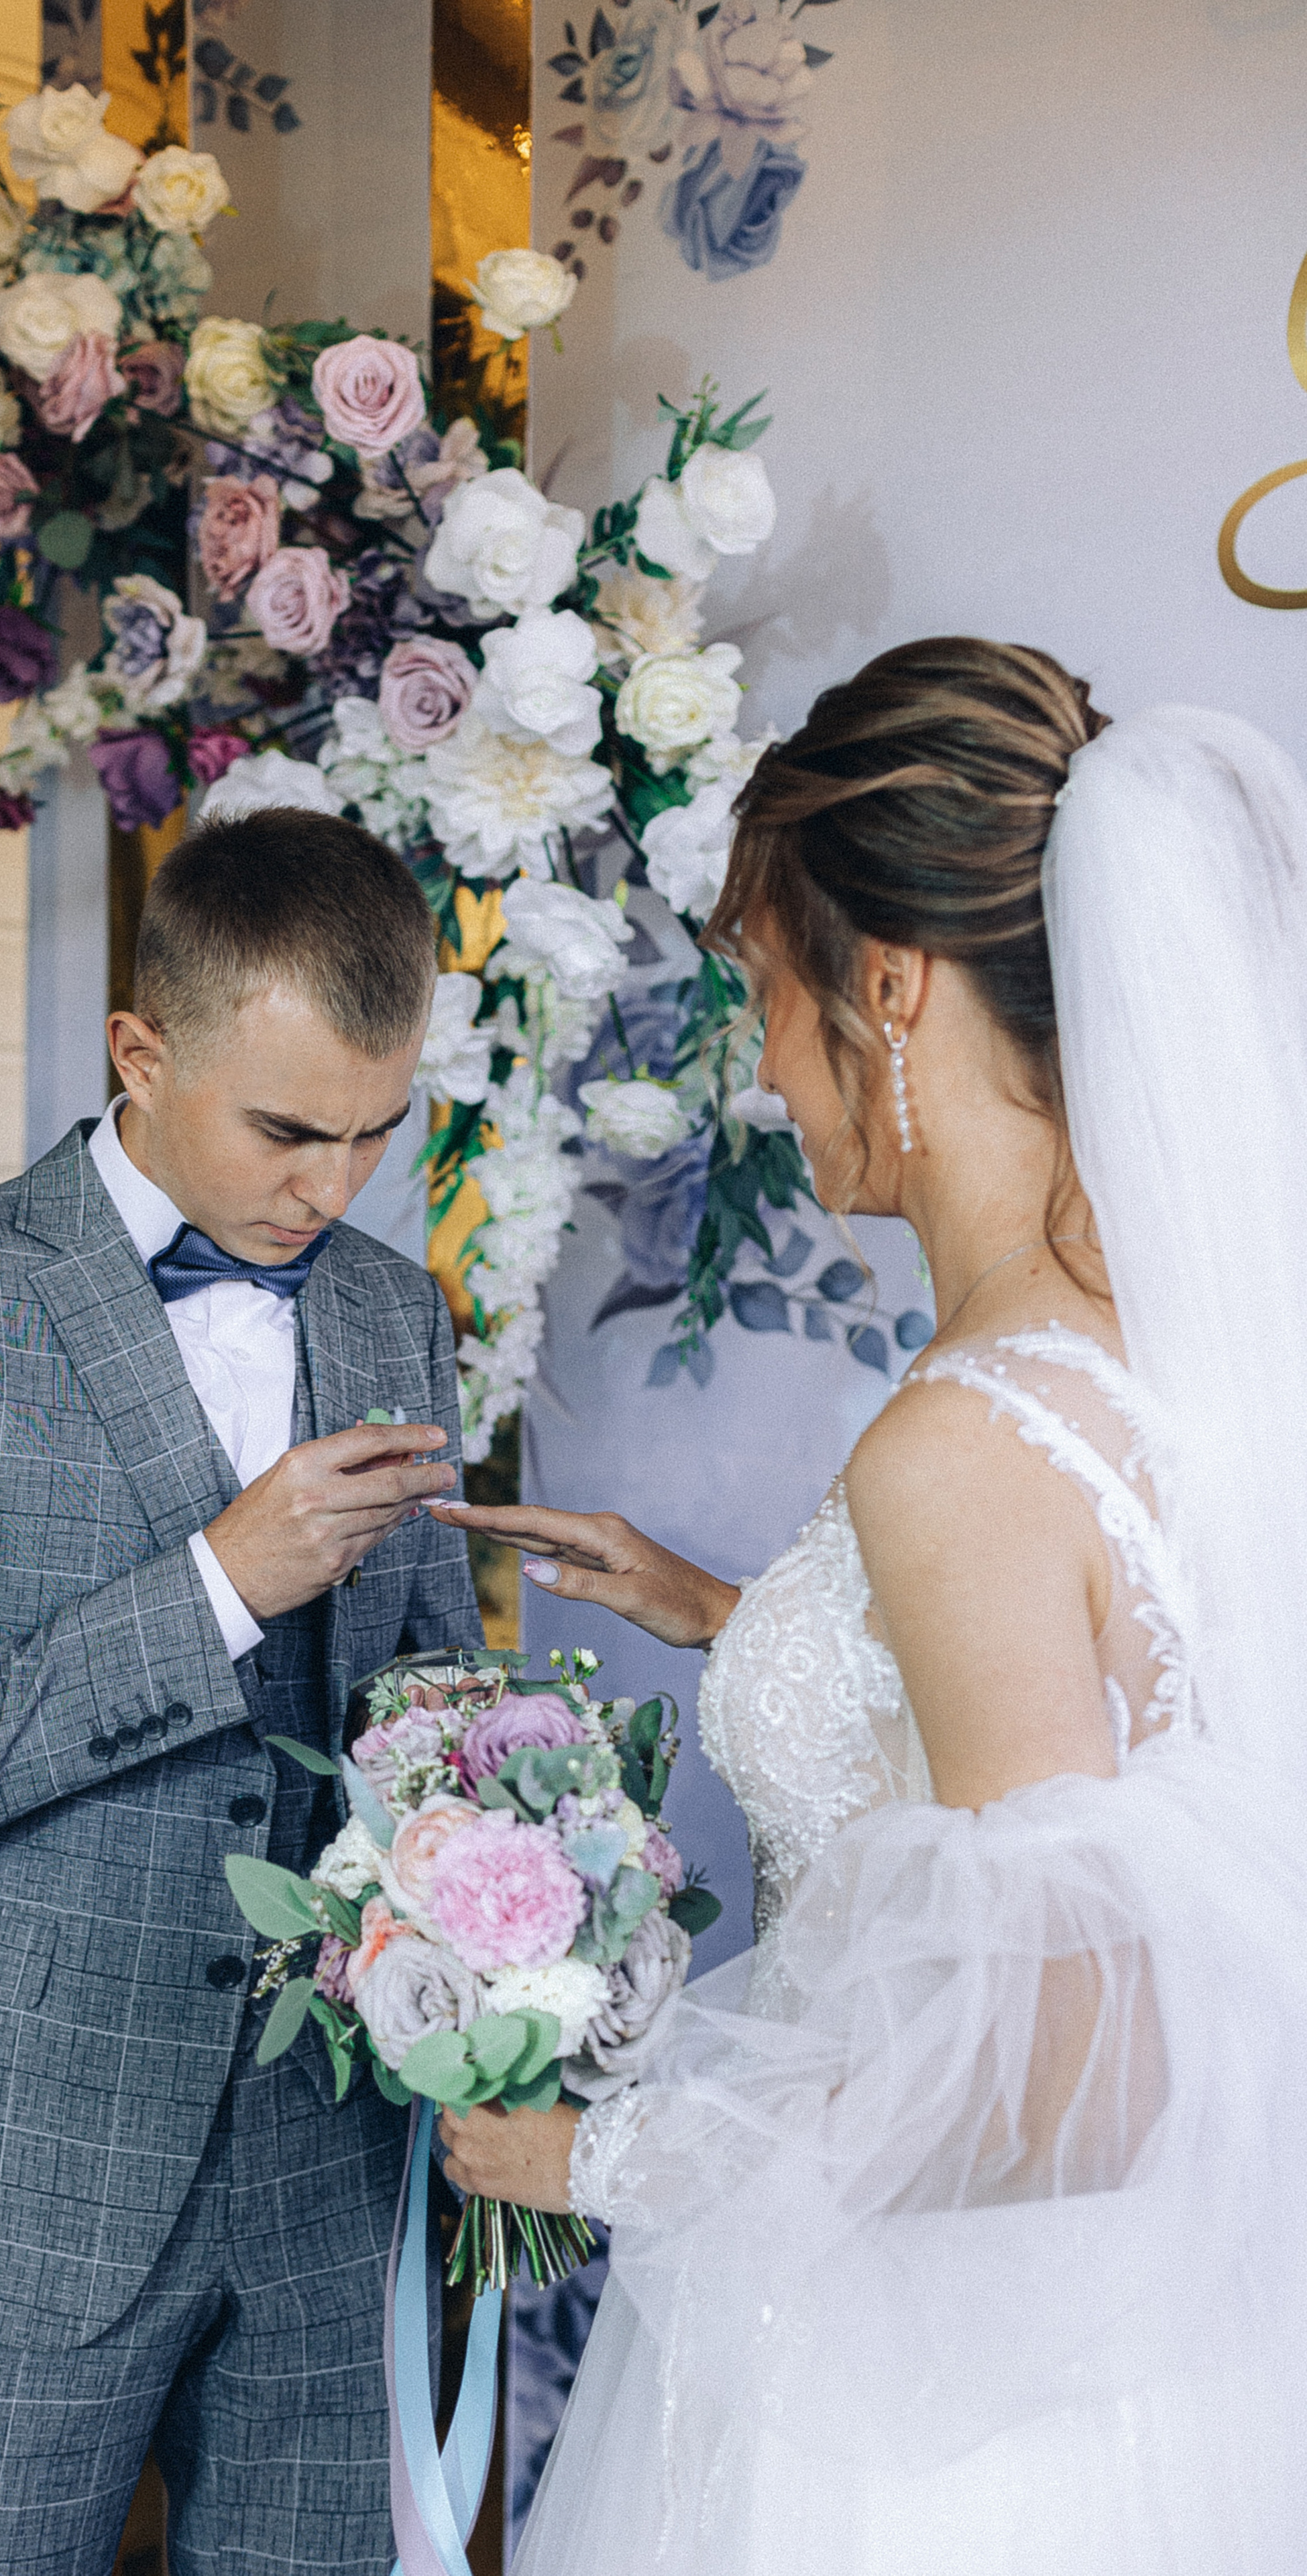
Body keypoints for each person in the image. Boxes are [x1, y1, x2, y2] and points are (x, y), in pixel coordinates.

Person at [433, 640, 1307, 2574]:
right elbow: (1091, 1750)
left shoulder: (956, 1445)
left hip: (938, 2428)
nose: (755, 1064)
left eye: (764, 994)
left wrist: (609, 2156)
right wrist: (741, 1614)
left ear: (889, 989)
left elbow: (1073, 2084)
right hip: (1165, 2375)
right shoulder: (1166, 1363)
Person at [0, 809, 482, 2576]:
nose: (331, 1189)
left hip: (331, 2187)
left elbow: (418, 1710)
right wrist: (218, 1590)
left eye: (376, 1136)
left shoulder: (397, 1313)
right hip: (10, 2180)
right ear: (140, 1052)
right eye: (288, 1131)